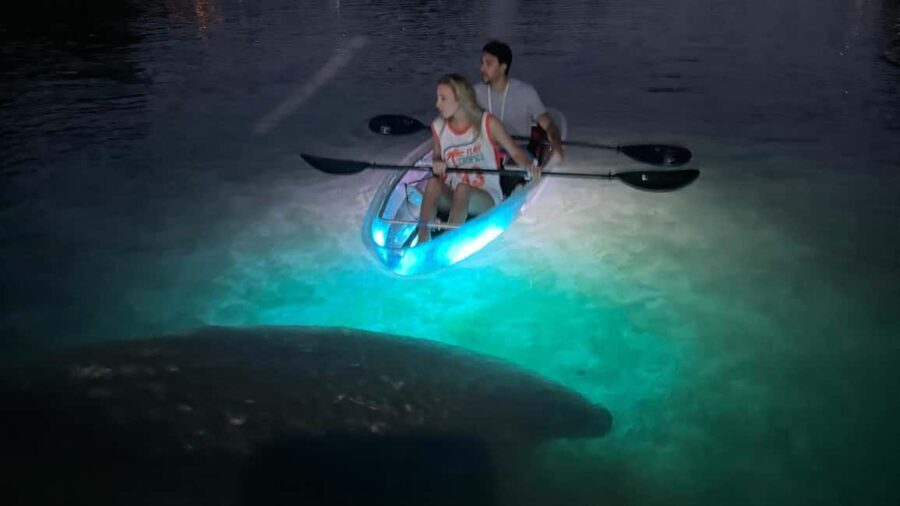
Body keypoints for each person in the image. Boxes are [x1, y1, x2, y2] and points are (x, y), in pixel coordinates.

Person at [417, 73, 540, 244]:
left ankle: (449, 241)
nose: (437, 104)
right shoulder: (438, 127)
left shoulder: (488, 123)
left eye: (443, 98)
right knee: (433, 183)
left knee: (463, 189)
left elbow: (515, 152)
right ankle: (422, 239)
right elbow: (437, 155)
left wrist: (529, 166)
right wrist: (437, 161)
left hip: (485, 196)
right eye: (438, 98)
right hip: (453, 193)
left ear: (460, 100)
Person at [475, 40, 566, 163]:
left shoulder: (525, 92)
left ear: (503, 67)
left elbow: (549, 125)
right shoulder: (474, 92)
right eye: (482, 63)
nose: (482, 68)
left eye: (488, 63)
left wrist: (555, 143)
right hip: (487, 150)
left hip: (519, 150)